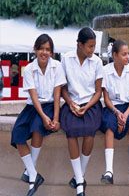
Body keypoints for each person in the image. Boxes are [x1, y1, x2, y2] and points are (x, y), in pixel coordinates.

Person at [10, 34, 66, 196]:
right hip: (33, 107)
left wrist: (55, 118)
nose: (44, 52)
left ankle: (31, 177)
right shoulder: (28, 69)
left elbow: (57, 95)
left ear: (52, 52)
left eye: (48, 49)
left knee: (37, 128)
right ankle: (33, 173)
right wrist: (43, 116)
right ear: (35, 50)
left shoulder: (57, 66)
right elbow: (33, 97)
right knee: (17, 134)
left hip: (50, 105)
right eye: (41, 48)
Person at [60, 27, 104, 196]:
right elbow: (63, 88)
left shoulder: (97, 62)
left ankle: (79, 177)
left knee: (90, 132)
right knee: (70, 132)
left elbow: (98, 91)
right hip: (71, 103)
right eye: (90, 46)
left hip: (91, 104)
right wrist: (70, 103)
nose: (92, 50)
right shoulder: (66, 58)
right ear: (79, 44)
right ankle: (80, 181)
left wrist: (87, 106)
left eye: (94, 46)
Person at [100, 39, 129, 185]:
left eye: (128, 54)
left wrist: (126, 115)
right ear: (115, 55)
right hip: (112, 108)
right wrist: (117, 113)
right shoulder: (105, 71)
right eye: (124, 54)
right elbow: (106, 99)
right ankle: (109, 171)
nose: (127, 57)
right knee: (110, 127)